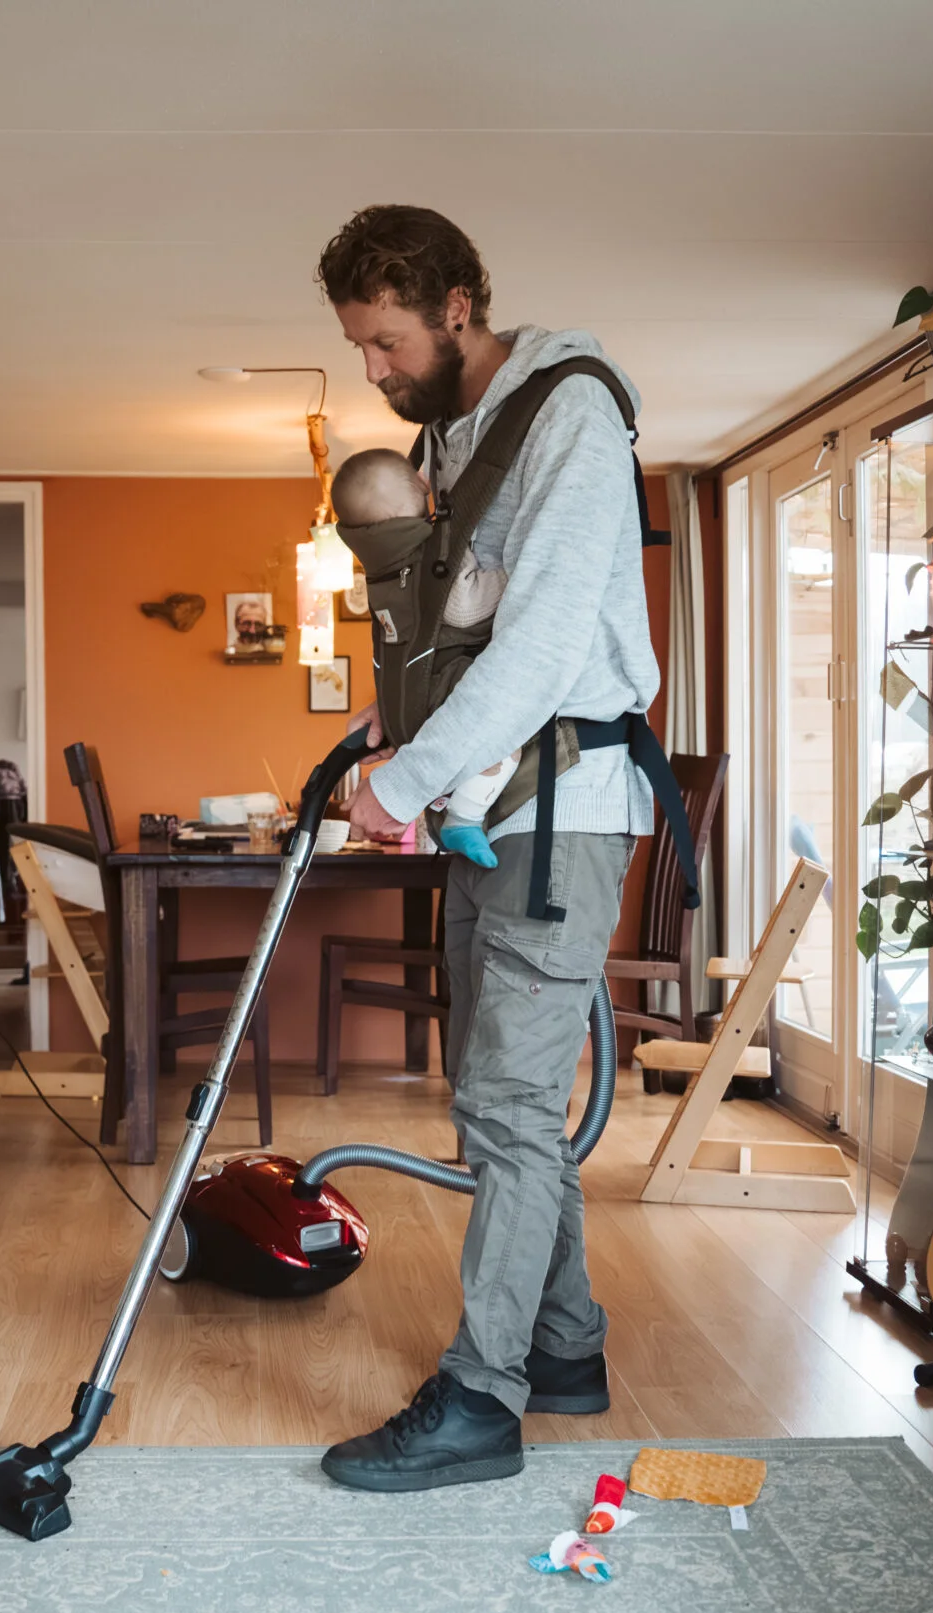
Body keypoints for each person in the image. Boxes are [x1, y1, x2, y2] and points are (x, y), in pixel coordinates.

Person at [317, 204, 662, 1492]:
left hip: (561, 807)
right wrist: (385, 729)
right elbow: (462, 636)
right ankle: (564, 1347)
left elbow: (550, 640)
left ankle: (481, 1399)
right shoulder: (451, 439)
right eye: (359, 346)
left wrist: (403, 779)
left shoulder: (565, 410)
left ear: (457, 307)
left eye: (387, 340)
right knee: (495, 1097)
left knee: (512, 1107)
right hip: (494, 811)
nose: (375, 370)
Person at [329, 448, 513, 867]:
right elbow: (467, 608)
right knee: (501, 740)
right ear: (417, 496)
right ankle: (464, 819)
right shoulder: (433, 558)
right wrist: (508, 574)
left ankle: (449, 806)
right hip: (448, 685)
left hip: (409, 704)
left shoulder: (378, 571)